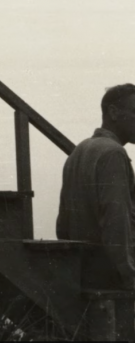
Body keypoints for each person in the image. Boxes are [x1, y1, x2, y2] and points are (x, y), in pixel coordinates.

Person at [56, 83, 135, 290]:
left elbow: (62, 223)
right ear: (113, 112)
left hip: (82, 275)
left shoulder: (79, 150)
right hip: (111, 280)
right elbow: (116, 220)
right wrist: (129, 276)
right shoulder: (113, 153)